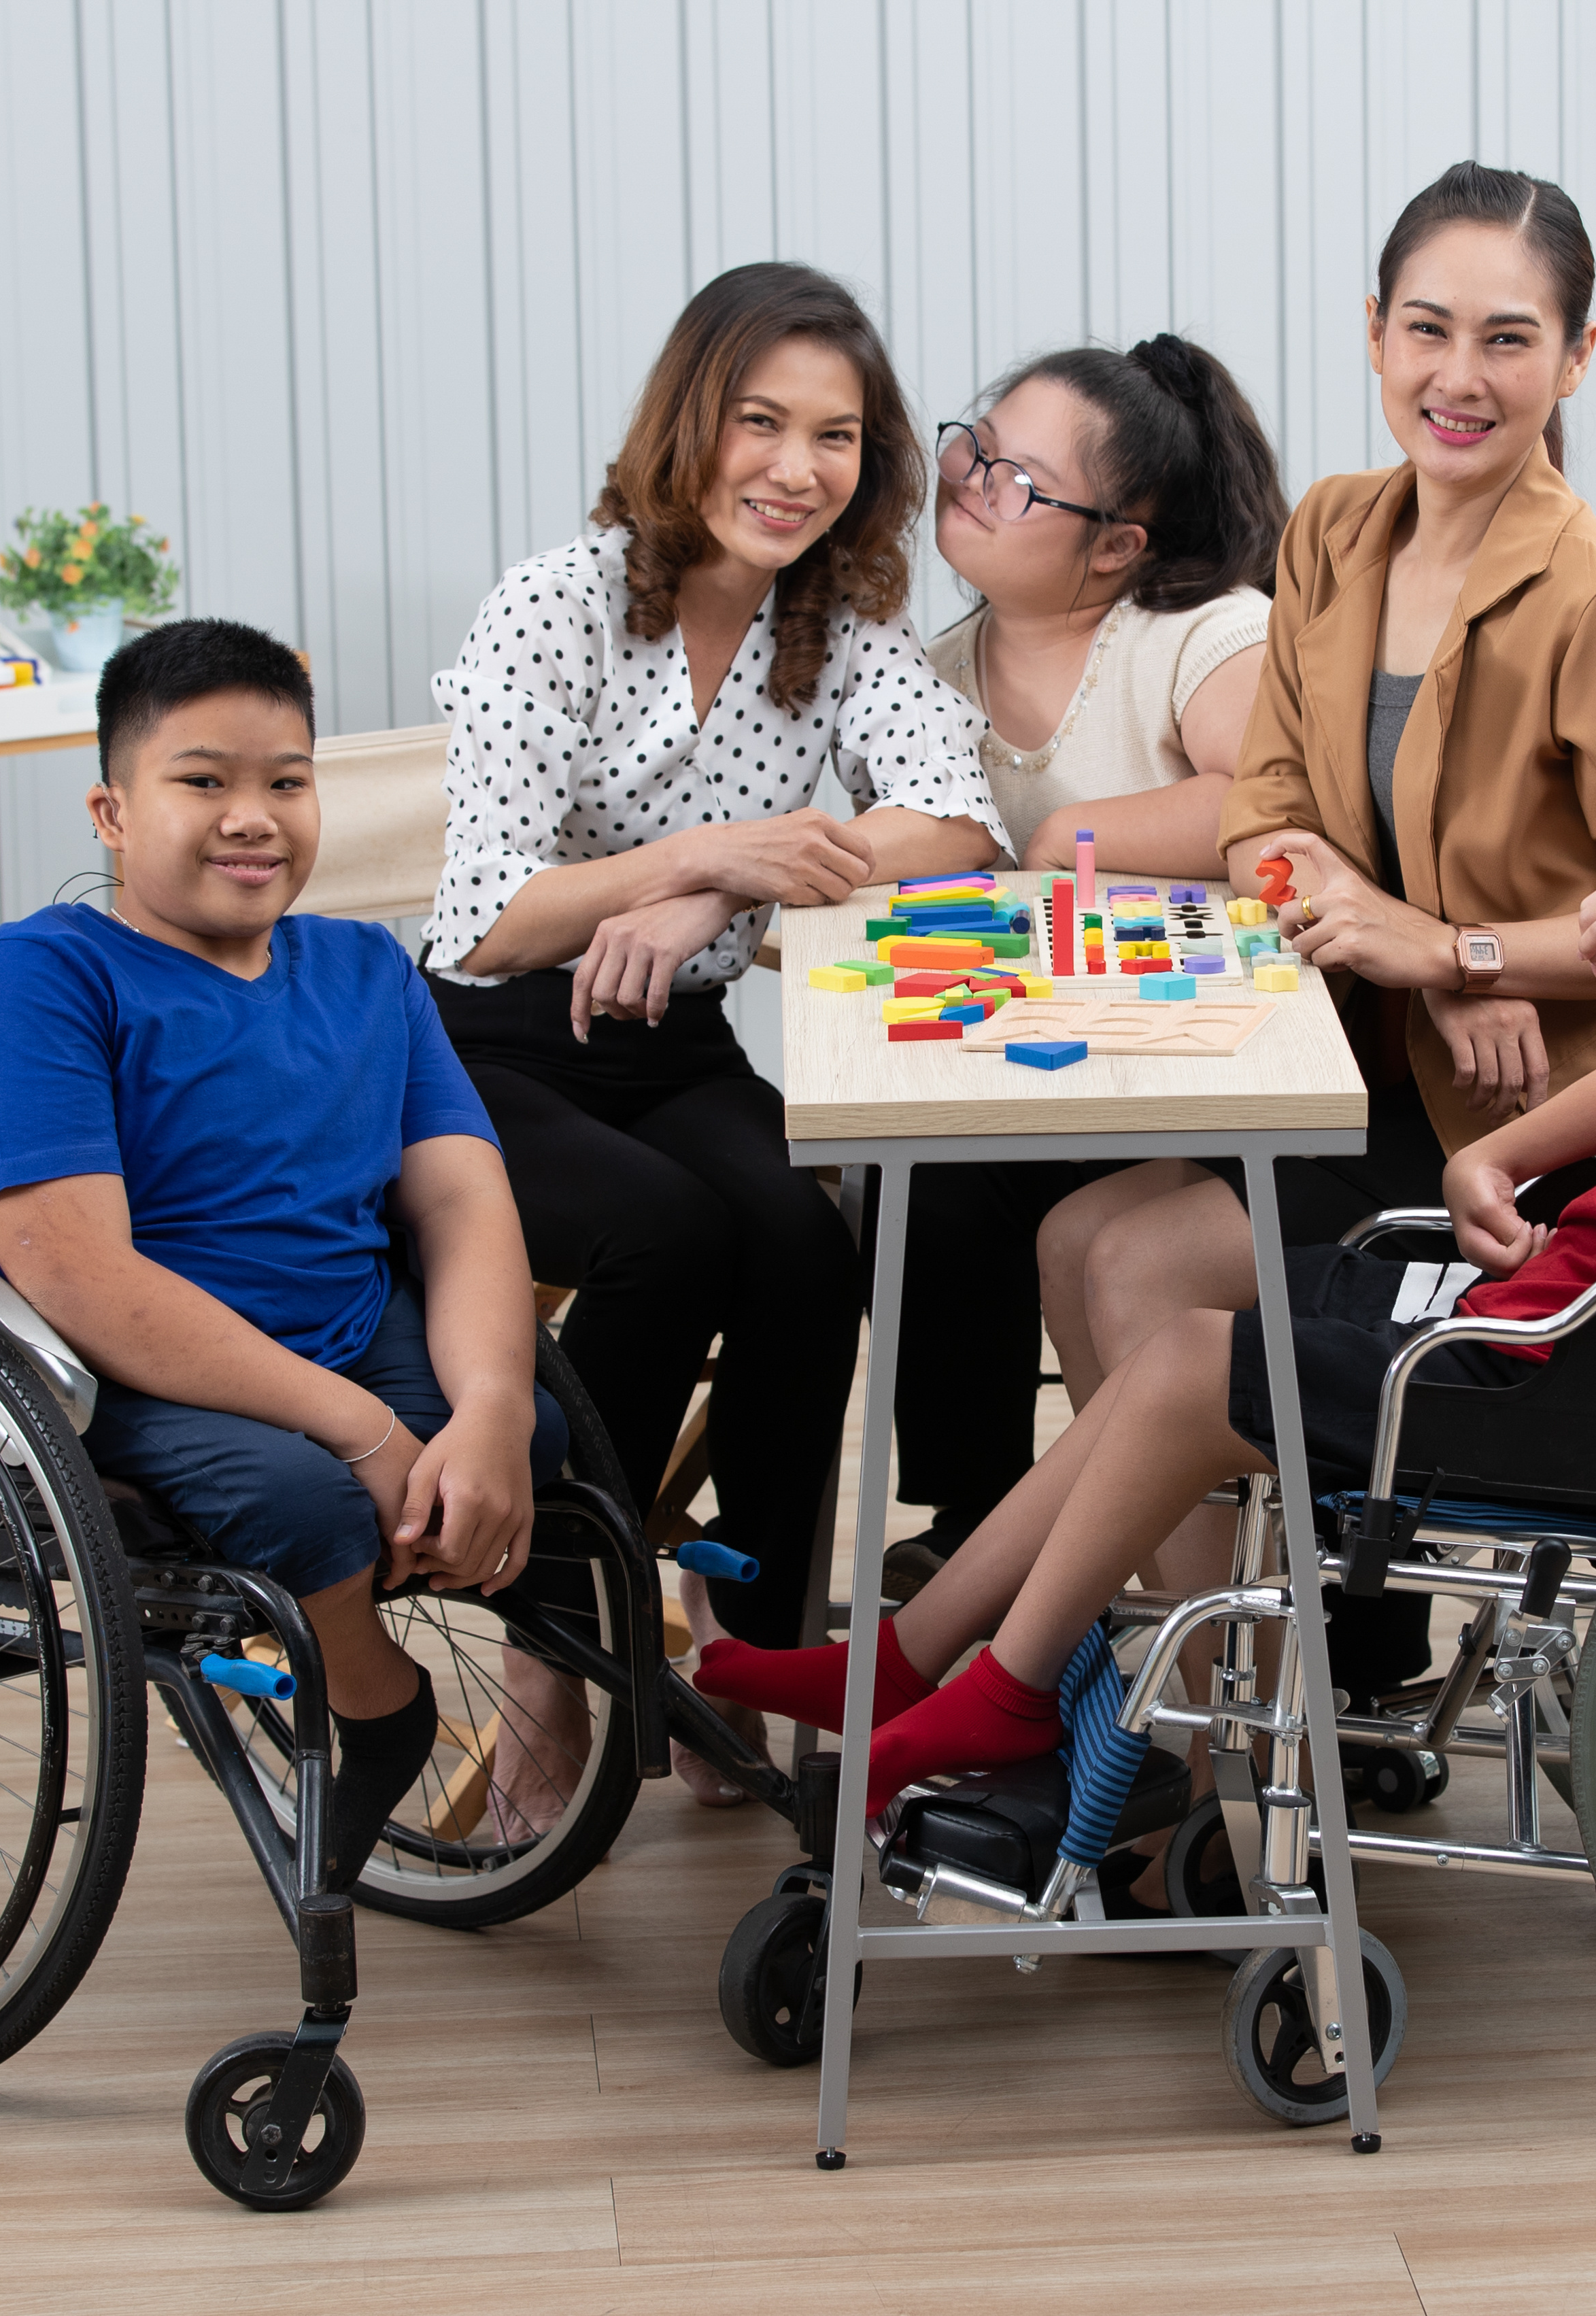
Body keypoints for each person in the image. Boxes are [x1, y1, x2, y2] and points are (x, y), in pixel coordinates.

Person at [690, 664, 1596, 1811]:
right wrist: (1506, 1142)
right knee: (1179, 1351)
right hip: (1579, 1311)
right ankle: (910, 1656)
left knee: (1193, 1358)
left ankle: (991, 1684)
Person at [1033, 158, 1596, 1717]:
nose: (1460, 376)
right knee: (1066, 1238)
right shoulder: (1339, 534)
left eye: (1508, 338)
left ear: (1575, 357)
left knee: (1142, 1261)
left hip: (1540, 1126)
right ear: (1371, 334)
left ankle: (1233, 1719)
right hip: (1374, 1062)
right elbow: (1267, 809)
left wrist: (1461, 955)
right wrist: (1406, 938)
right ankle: (1213, 1671)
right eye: (1427, 329)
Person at [425, 262, 1006, 1798]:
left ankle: (742, 1630)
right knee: (665, 1237)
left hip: (671, 1050)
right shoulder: (556, 602)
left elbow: (956, 825)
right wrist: (712, 855)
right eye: (761, 421)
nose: (795, 468)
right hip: (484, 1044)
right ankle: (551, 1647)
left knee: (806, 1244)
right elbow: (484, 918)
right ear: (693, 422)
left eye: (834, 436)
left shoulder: (841, 631)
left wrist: (717, 904)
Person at [0, 617, 573, 1890]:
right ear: (112, 812)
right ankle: (376, 1701)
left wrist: (489, 1406)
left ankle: (370, 1577)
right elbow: (80, 1278)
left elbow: (459, 1201)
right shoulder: (47, 976)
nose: (252, 816)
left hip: (333, 1310)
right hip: (118, 1363)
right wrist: (362, 1431)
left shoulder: (363, 966)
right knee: (303, 1497)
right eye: (204, 780)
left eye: (285, 780)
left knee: (527, 1436)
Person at [885, 334, 1289, 1586]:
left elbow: (1268, 803)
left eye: (1018, 476)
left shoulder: (1198, 635)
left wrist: (1074, 837)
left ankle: (1113, 1570)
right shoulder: (928, 677)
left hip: (1190, 1077)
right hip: (1033, 1066)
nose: (969, 477)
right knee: (918, 1197)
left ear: (1115, 544)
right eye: (975, 443)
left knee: (1053, 1218)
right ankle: (983, 1525)